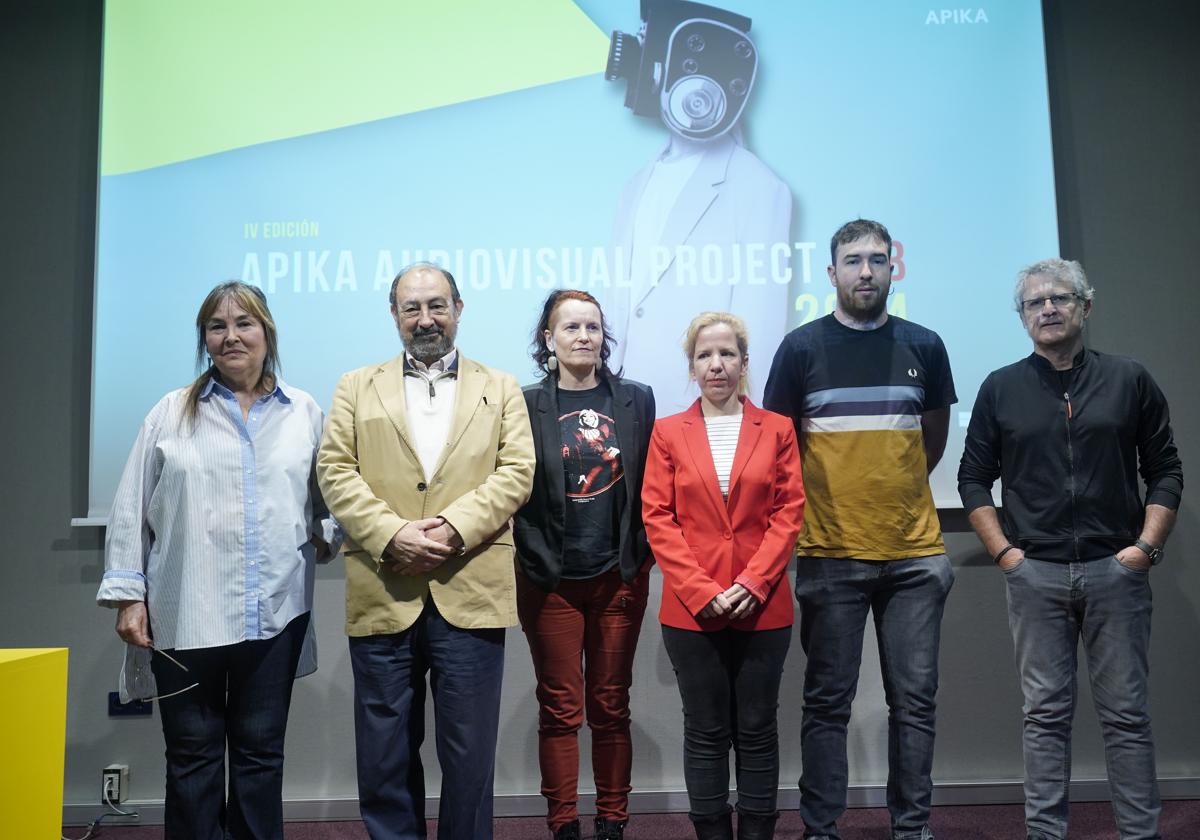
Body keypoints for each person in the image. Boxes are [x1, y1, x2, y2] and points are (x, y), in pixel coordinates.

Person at [97, 281, 339, 840]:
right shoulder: (169, 412)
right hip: (185, 616)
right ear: (205, 340)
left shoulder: (304, 411)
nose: (231, 336)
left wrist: (328, 536)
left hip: (273, 617)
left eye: (244, 323)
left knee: (259, 760)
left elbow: (326, 502)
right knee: (191, 759)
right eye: (217, 326)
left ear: (266, 332)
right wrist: (129, 597)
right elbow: (131, 508)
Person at [958, 259, 1183, 840]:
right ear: (1023, 317)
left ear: (1086, 306)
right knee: (1043, 718)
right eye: (1035, 303)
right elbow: (973, 478)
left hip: (1117, 572)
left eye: (1060, 298)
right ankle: (1046, 834)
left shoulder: (1129, 380)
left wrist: (1145, 549)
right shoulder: (1000, 388)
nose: (1048, 309)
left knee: (1127, 717)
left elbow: (1165, 470)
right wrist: (1007, 555)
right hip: (1037, 576)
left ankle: (1139, 834)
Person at [317, 262, 535, 840]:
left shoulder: (502, 386)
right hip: (384, 589)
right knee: (384, 753)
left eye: (436, 305)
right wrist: (392, 534)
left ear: (459, 308)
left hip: (472, 587)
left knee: (469, 756)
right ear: (394, 315)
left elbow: (517, 472)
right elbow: (335, 471)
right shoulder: (354, 385)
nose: (425, 318)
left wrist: (451, 529)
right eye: (411, 308)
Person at [763, 219, 957, 840]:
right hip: (829, 552)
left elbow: (930, 443)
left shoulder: (925, 345)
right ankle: (821, 829)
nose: (866, 272)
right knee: (826, 705)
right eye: (853, 261)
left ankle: (912, 828)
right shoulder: (799, 349)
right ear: (832, 274)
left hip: (915, 555)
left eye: (877, 260)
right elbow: (780, 450)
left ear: (893, 268)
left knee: (915, 704)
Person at [642, 312, 805, 840]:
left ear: (744, 363)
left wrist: (752, 584)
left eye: (727, 354)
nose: (717, 365)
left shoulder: (777, 428)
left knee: (758, 730)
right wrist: (701, 590)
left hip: (765, 606)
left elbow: (788, 513)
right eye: (705, 355)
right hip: (692, 611)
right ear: (691, 366)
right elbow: (657, 517)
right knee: (706, 731)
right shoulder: (667, 432)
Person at [513, 290, 656, 840]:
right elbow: (512, 485)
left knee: (611, 704)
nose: (583, 336)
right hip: (550, 579)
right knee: (560, 709)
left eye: (593, 327)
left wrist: (640, 554)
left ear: (604, 336)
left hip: (618, 574)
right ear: (548, 339)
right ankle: (564, 823)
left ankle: (614, 821)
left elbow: (650, 483)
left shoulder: (636, 400)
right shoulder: (525, 403)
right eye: (570, 327)